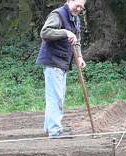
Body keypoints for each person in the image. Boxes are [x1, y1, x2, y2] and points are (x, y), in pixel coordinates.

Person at [36, 0, 87, 138]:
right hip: (53, 61)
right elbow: (45, 32)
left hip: (62, 63)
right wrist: (65, 32)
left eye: (82, 7)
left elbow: (76, 41)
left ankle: (50, 128)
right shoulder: (58, 14)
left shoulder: (75, 19)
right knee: (56, 98)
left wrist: (80, 58)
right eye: (77, 5)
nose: (79, 8)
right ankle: (55, 131)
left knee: (57, 97)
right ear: (69, 1)